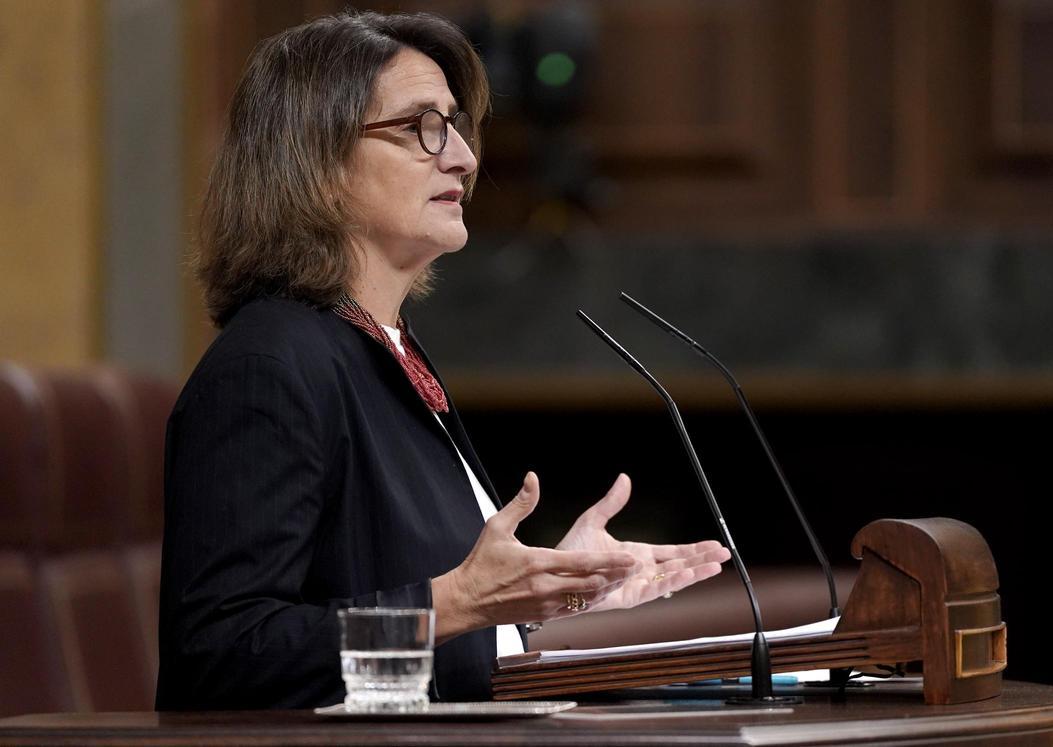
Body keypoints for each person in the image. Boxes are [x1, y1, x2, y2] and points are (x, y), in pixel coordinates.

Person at [156, 10, 730, 710]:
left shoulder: (378, 346)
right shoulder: (267, 368)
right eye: (418, 127)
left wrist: (547, 594)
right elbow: (219, 657)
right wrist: (458, 600)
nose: (461, 155)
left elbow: (395, 626)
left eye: (456, 125)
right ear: (315, 160)